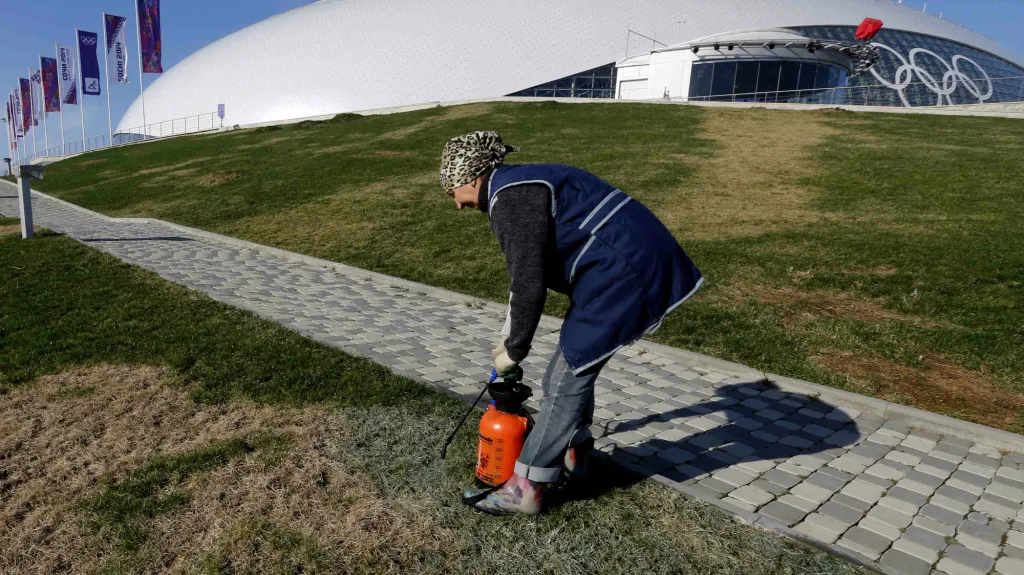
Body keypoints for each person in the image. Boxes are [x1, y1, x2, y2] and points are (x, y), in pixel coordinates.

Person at [439, 131, 703, 515]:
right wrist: (508, 339)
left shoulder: (510, 198)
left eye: (453, 193)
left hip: (623, 273)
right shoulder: (520, 183)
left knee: (565, 377)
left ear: (472, 177)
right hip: (619, 267)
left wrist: (513, 350)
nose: (457, 206)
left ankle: (526, 488)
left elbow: (528, 284)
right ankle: (576, 456)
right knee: (576, 364)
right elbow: (530, 275)